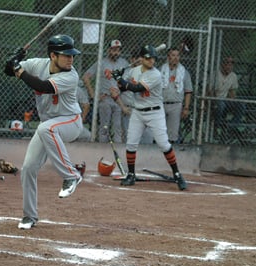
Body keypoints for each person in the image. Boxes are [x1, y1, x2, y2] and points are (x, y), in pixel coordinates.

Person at [4, 34, 83, 229]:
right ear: (52, 56)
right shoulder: (38, 64)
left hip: (70, 121)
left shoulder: (71, 75)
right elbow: (8, 71)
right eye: (66, 55)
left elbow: (43, 86)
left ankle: (71, 176)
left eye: (72, 55)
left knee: (45, 128)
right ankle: (29, 216)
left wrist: (19, 69)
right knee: (28, 168)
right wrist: (13, 60)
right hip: (48, 126)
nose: (70, 59)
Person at [110, 45, 187, 190]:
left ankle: (177, 174)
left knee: (164, 144)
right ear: (141, 59)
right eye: (147, 58)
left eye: (153, 58)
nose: (151, 61)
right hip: (138, 112)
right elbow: (123, 87)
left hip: (155, 113)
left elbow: (136, 88)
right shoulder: (133, 71)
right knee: (131, 143)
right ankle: (131, 175)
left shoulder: (156, 75)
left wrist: (120, 79)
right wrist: (119, 79)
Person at [83, 40, 129, 143]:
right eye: (113, 50)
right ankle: (102, 149)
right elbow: (86, 77)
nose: (116, 52)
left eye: (118, 50)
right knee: (104, 126)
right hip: (105, 98)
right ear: (109, 50)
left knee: (117, 126)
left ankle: (117, 149)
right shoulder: (101, 63)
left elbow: (128, 80)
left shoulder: (124, 63)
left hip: (118, 99)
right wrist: (93, 95)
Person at [160, 47, 193, 143]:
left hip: (176, 105)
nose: (176, 58)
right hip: (161, 104)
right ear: (168, 57)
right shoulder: (161, 70)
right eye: (173, 55)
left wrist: (186, 108)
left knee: (172, 134)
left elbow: (188, 91)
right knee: (160, 131)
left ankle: (169, 154)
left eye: (178, 55)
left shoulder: (184, 72)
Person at [208, 57, 245, 137]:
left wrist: (233, 101)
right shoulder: (215, 74)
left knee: (241, 105)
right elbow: (210, 91)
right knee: (220, 105)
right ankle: (217, 126)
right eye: (227, 64)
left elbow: (232, 92)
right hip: (215, 99)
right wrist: (214, 101)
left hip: (225, 100)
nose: (229, 67)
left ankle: (231, 126)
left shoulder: (233, 76)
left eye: (231, 65)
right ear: (222, 65)